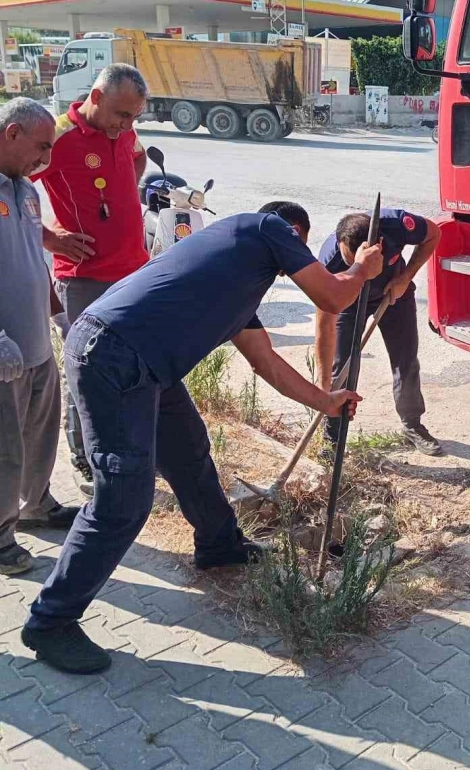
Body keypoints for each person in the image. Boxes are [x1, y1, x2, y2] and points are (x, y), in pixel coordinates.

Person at [22, 203, 383, 673]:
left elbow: (266, 363)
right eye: (301, 249)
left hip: (144, 364)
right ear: (293, 234)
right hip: (114, 356)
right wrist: (361, 267)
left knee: (189, 451)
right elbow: (333, 298)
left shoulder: (237, 283)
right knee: (123, 500)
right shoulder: (266, 226)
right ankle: (50, 622)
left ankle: (219, 545)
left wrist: (325, 401)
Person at [33, 64, 149, 497]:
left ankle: (125, 449)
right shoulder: (58, 136)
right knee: (86, 371)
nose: (128, 125)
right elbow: (9, 186)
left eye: (134, 117)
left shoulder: (123, 132)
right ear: (96, 98)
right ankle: (84, 458)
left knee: (132, 367)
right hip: (84, 280)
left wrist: (121, 195)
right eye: (122, 114)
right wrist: (49, 238)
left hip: (133, 272)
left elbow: (137, 156)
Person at [0, 99, 80, 575]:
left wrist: (60, 318)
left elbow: (35, 261)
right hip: (3, 353)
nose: (45, 159)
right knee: (4, 448)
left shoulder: (26, 191)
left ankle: (35, 505)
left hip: (34, 344)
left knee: (38, 436)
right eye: (42, 147)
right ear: (12, 133)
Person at [315, 207, 442, 455]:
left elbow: (434, 234)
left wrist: (405, 277)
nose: (355, 270)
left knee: (405, 360)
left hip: (394, 293)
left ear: (379, 246)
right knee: (342, 367)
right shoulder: (328, 264)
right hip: (348, 303)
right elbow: (323, 327)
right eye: (350, 264)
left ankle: (412, 424)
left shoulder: (396, 226)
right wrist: (322, 387)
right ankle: (333, 438)